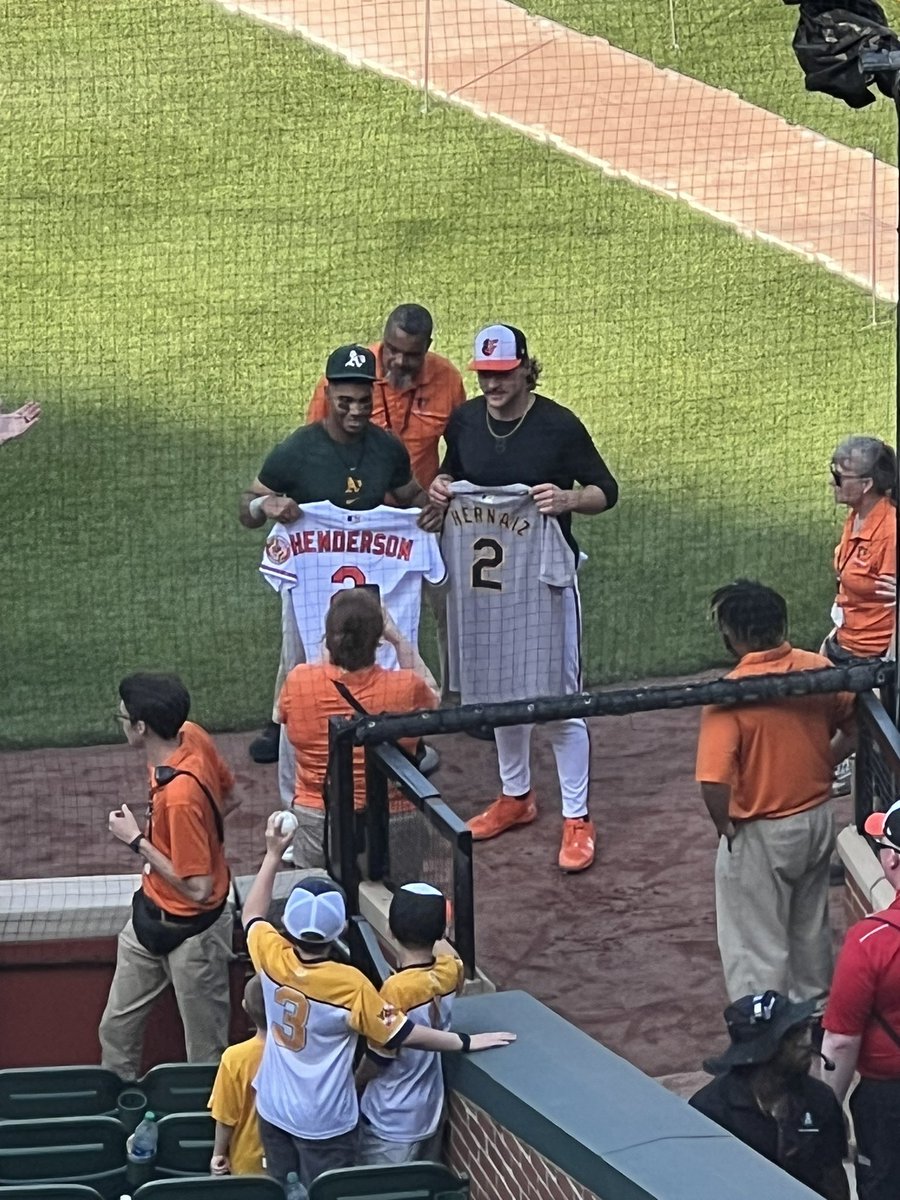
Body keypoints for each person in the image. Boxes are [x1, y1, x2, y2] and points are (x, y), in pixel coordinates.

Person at [424, 323, 618, 873]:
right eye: (484, 375)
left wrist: (569, 498)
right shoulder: (464, 421)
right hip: (485, 588)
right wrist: (441, 484)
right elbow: (454, 471)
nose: (492, 385)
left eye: (503, 375)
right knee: (498, 694)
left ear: (526, 368)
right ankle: (516, 797)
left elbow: (607, 490)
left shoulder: (557, 426)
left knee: (557, 698)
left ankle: (577, 817)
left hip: (544, 582)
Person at [241, 817, 515, 1189]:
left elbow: (252, 915)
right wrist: (463, 1041)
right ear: (337, 931)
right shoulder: (355, 985)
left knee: (279, 1186)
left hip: (273, 1107)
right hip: (327, 1120)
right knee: (331, 1192)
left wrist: (273, 854)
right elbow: (402, 1032)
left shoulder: (271, 955)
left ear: (288, 926)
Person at [240, 342, 427, 768]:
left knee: (378, 663)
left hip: (372, 584)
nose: (356, 411)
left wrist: (428, 509)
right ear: (327, 395)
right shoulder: (298, 450)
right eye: (345, 402)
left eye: (364, 402)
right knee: (301, 667)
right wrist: (262, 506)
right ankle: (299, 756)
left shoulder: (387, 447)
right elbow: (247, 505)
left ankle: (394, 752)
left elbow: (410, 494)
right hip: (309, 585)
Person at [695, 580, 856, 1006]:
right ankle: (815, 1019)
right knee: (808, 930)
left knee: (755, 945)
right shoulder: (817, 669)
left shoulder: (730, 694)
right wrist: (822, 762)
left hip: (762, 833)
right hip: (818, 822)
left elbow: (713, 780)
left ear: (734, 636)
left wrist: (724, 824)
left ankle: (765, 1035)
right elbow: (855, 727)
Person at [308, 305, 466, 703]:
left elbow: (462, 449)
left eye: (411, 354)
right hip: (357, 518)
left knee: (451, 603)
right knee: (326, 610)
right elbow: (314, 445)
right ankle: (299, 701)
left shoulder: (447, 380)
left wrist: (444, 486)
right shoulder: (349, 380)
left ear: (427, 349)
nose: (398, 360)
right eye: (392, 350)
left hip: (420, 516)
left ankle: (460, 696)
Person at [99, 673, 233, 1080]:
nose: (120, 721)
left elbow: (198, 888)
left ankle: (208, 1139)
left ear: (142, 727)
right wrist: (194, 842)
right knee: (115, 1031)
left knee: (205, 1055)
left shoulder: (178, 798)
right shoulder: (189, 734)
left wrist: (138, 840)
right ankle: (115, 1121)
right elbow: (231, 798)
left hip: (195, 935)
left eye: (123, 716)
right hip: (150, 916)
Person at [277, 588, 439, 868]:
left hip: (319, 816)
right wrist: (398, 639)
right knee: (399, 897)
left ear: (329, 637)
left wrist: (331, 646)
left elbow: (280, 715)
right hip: (394, 816)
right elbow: (434, 696)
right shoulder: (405, 687)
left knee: (320, 898)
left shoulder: (299, 681)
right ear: (378, 641)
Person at [689, 991, 849, 1200]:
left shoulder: (820, 1099)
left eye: (804, 1030)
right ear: (762, 1050)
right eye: (792, 1036)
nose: (805, 1042)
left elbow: (833, 1177)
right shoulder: (710, 1112)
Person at [822, 798, 900, 1200]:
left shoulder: (871, 942)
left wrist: (827, 1109)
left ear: (892, 862)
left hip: (890, 1105)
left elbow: (840, 1040)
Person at [357, 882, 463, 1165]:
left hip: (389, 1119)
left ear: (390, 930)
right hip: (431, 1111)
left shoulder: (394, 990)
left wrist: (353, 1085)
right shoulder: (451, 970)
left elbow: (378, 1057)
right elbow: (446, 957)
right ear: (441, 933)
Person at [824, 435, 897, 664]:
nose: (832, 483)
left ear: (866, 485)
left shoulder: (889, 533)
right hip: (845, 642)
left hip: (872, 657)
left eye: (840, 478)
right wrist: (832, 638)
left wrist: (889, 669)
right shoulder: (857, 516)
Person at [209, 974, 267, 1176]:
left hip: (246, 1165)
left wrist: (218, 1154)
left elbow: (225, 1117)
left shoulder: (234, 1058)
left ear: (245, 1007)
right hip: (292, 1162)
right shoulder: (300, 1054)